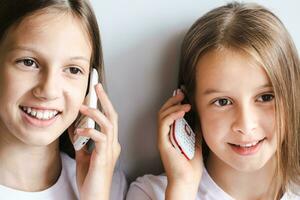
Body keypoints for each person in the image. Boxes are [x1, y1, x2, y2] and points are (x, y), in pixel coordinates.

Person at [126, 2, 300, 200]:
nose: (245, 126)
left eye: (265, 97)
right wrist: (182, 188)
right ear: (188, 108)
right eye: (223, 102)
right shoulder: (151, 193)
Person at [0, 0, 127, 199]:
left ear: (90, 86)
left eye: (73, 70)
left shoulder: (109, 186)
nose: (49, 91)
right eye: (28, 62)